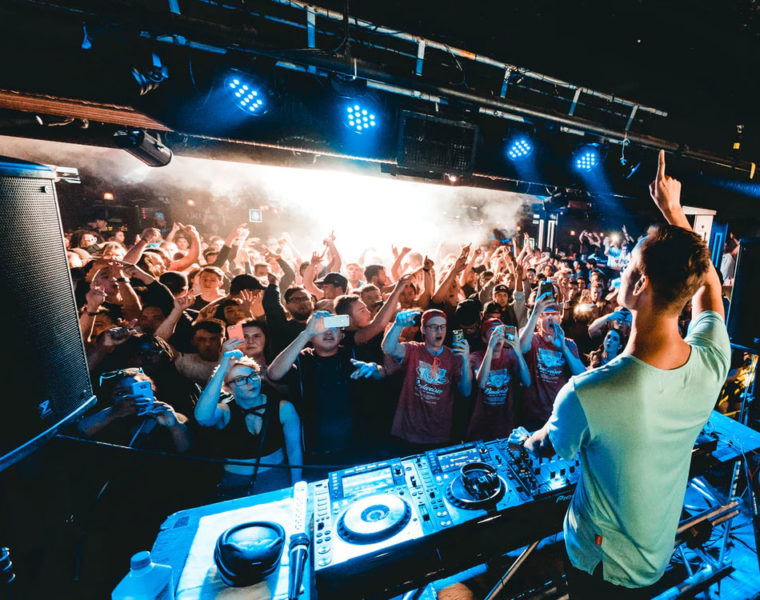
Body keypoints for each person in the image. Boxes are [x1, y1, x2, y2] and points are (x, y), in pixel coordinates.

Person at [511, 151, 730, 597]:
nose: (622, 272)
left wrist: (526, 440)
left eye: (628, 264)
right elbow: (708, 288)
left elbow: (547, 447)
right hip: (655, 555)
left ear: (641, 283)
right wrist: (674, 215)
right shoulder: (712, 361)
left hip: (602, 569)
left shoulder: (591, 391)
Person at [267, 311, 385, 474]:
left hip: (358, 449)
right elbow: (273, 374)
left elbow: (382, 374)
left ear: (341, 335)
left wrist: (374, 369)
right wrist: (306, 333)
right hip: (317, 453)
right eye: (321, 328)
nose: (328, 332)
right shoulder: (301, 359)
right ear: (310, 336)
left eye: (333, 328)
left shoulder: (353, 354)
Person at [195, 352, 303, 497]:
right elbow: (202, 418)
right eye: (240, 379)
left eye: (253, 375)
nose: (250, 382)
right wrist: (222, 370)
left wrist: (296, 485)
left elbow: (294, 449)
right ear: (227, 388)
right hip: (236, 483)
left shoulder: (283, 408)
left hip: (277, 476)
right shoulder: (225, 411)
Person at [382, 308, 472, 451]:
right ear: (423, 329)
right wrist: (398, 325)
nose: (439, 331)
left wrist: (466, 360)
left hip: (438, 433)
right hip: (409, 431)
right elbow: (388, 348)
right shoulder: (414, 349)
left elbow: (466, 392)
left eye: (442, 326)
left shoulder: (453, 356)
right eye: (433, 326)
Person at [519, 292, 585, 430]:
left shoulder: (569, 344)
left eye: (554, 314)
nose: (550, 318)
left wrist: (564, 348)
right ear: (538, 320)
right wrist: (535, 313)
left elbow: (581, 375)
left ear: (559, 319)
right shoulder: (533, 339)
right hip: (532, 415)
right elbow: (522, 347)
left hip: (557, 414)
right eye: (545, 314)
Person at [466, 319, 530, 442]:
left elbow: (527, 382)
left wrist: (518, 351)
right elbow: (482, 383)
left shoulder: (510, 355)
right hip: (480, 425)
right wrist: (490, 348)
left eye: (501, 332)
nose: (498, 335)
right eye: (493, 332)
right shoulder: (475, 357)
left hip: (505, 424)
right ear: (484, 338)